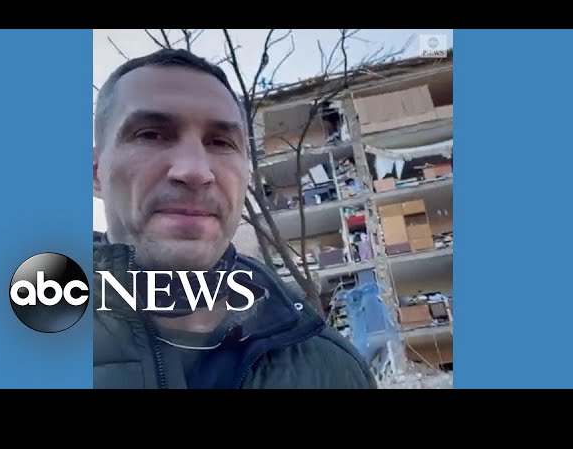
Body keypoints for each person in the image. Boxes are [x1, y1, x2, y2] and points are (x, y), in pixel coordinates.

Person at [92, 47, 378, 389]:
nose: (195, 171)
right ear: (95, 172)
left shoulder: (330, 370)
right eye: (151, 134)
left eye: (221, 142)